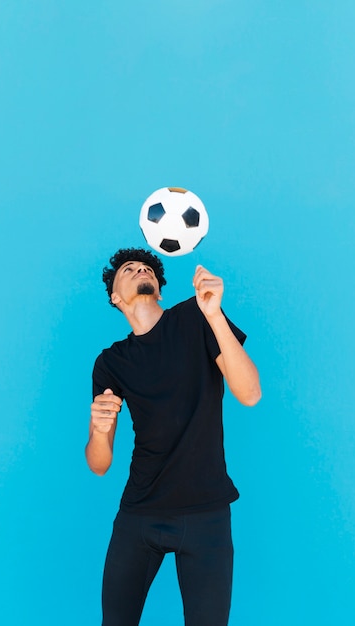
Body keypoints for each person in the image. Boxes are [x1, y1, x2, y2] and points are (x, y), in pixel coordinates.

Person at [86, 247, 261, 626]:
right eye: (128, 269)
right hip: (140, 513)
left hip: (206, 514)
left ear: (159, 291)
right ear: (115, 297)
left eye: (146, 267)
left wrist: (214, 315)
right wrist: (99, 431)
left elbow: (249, 394)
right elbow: (99, 464)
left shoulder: (197, 316)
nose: (139, 270)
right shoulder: (110, 363)